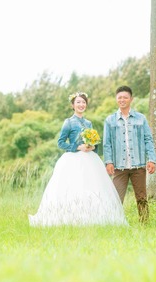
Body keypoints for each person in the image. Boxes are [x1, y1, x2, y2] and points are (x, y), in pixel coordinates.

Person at [29, 92, 128, 227]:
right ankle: (71, 216)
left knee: (93, 186)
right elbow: (61, 142)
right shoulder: (68, 122)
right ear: (73, 105)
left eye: (83, 102)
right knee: (73, 186)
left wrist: (92, 146)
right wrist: (77, 147)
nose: (81, 105)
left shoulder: (89, 123)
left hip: (90, 159)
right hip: (73, 159)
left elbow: (94, 141)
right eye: (78, 102)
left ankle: (92, 217)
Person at [102, 85, 156, 223]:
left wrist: (152, 159)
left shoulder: (141, 118)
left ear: (131, 99)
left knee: (141, 197)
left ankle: (144, 223)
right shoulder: (110, 120)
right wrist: (108, 161)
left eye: (125, 97)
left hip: (138, 165)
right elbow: (106, 143)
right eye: (119, 97)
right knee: (116, 197)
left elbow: (148, 139)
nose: (122, 100)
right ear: (116, 99)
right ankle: (114, 223)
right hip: (119, 166)